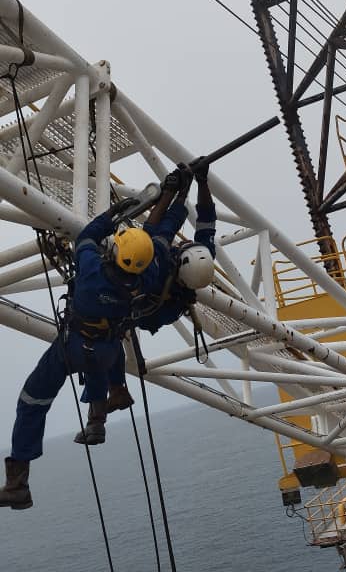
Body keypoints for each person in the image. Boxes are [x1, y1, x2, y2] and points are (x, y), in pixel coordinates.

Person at [0, 202, 155, 510]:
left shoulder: (92, 272)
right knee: (101, 358)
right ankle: (97, 422)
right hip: (108, 352)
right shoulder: (141, 285)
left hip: (74, 347)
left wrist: (110, 217)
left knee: (32, 402)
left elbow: (86, 237)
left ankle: (18, 484)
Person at [74, 159, 216, 441]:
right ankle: (111, 399)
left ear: (181, 260)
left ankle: (101, 410)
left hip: (139, 308)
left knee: (102, 336)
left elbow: (155, 229)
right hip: (155, 311)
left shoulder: (160, 266)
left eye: (184, 245)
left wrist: (172, 192)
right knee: (108, 337)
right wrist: (199, 184)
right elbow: (207, 219)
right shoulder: (197, 263)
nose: (185, 242)